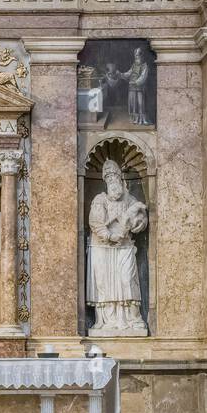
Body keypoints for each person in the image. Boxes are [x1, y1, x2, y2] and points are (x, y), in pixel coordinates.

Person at [87, 159, 149, 335]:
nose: (113, 181)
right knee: (103, 283)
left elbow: (141, 218)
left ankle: (133, 318)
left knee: (127, 279)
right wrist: (109, 235)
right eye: (109, 178)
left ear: (121, 179)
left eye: (116, 177)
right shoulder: (99, 200)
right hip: (102, 247)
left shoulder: (130, 199)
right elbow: (95, 222)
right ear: (105, 181)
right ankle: (105, 320)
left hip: (124, 246)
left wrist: (140, 223)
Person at [127, 46, 152, 126]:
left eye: (137, 55)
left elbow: (143, 77)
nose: (136, 57)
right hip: (132, 88)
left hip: (140, 87)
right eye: (135, 55)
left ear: (141, 55)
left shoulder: (145, 66)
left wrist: (135, 82)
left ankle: (143, 119)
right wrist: (121, 74)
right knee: (134, 104)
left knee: (141, 103)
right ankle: (136, 119)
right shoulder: (134, 65)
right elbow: (129, 73)